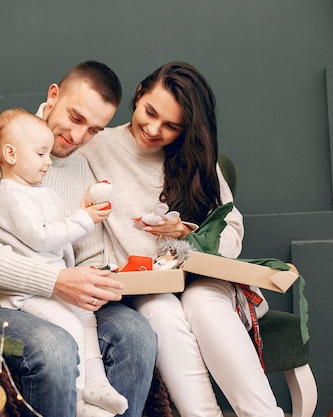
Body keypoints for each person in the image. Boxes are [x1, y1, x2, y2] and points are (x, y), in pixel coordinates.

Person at [0, 61, 157, 417]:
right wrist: (55, 280)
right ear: (53, 95)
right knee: (55, 346)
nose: (77, 137)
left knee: (137, 335)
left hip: (62, 296)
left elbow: (85, 248)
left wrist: (96, 279)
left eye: (93, 130)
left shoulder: (80, 165)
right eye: (75, 119)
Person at [78, 61, 284, 417]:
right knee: (161, 310)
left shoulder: (196, 159)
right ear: (139, 93)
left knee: (202, 302)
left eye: (172, 126)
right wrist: (0, 137)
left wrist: (188, 234)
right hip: (146, 289)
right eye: (150, 112)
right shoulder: (98, 147)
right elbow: (50, 138)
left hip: (206, 281)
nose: (154, 129)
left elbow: (231, 231)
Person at [0, 108, 128, 417]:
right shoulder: (10, 195)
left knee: (86, 315)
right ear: (10, 154)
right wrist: (84, 219)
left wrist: (81, 212)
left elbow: (61, 232)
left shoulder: (41, 192)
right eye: (40, 154)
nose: (48, 161)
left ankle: (98, 384)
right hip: (27, 292)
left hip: (57, 280)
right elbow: (42, 238)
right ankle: (77, 404)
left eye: (48, 153)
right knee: (68, 329)